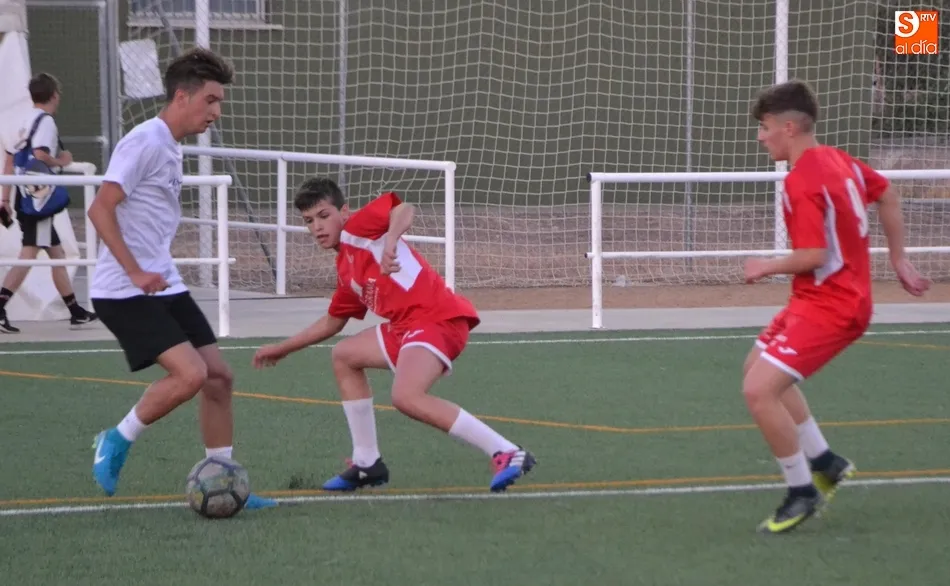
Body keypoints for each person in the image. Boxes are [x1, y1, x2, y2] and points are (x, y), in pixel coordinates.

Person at [252, 178, 536, 492]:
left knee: (406, 397)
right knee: (344, 356)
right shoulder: (346, 269)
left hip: (437, 319)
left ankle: (507, 451)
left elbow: (404, 209)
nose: (317, 227)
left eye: (323, 215)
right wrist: (283, 348)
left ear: (344, 212)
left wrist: (390, 240)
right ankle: (367, 463)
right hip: (405, 327)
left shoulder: (359, 228)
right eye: (309, 221)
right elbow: (333, 322)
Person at [87, 47, 275, 510]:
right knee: (191, 374)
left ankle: (223, 475)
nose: (216, 112)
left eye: (219, 102)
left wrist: (151, 271)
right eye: (211, 100)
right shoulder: (145, 141)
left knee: (218, 377)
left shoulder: (170, 145)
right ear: (181, 96)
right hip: (123, 291)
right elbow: (100, 208)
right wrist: (134, 270)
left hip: (163, 283)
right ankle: (116, 438)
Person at [742, 79, 930, 534]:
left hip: (833, 306)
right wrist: (899, 258)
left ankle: (801, 490)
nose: (761, 137)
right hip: (816, 299)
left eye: (765, 127)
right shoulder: (838, 159)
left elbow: (814, 255)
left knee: (759, 391)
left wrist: (765, 266)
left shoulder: (802, 180)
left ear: (788, 127)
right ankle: (825, 461)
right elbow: (887, 194)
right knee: (756, 369)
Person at [0, 72, 97, 333]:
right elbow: (40, 154)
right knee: (29, 253)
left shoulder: (22, 121)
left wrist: (5, 197)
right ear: (54, 95)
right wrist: (61, 162)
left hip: (25, 195)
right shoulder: (45, 123)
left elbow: (10, 160)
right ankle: (1, 304)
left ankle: (75, 310)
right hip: (38, 199)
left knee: (56, 254)